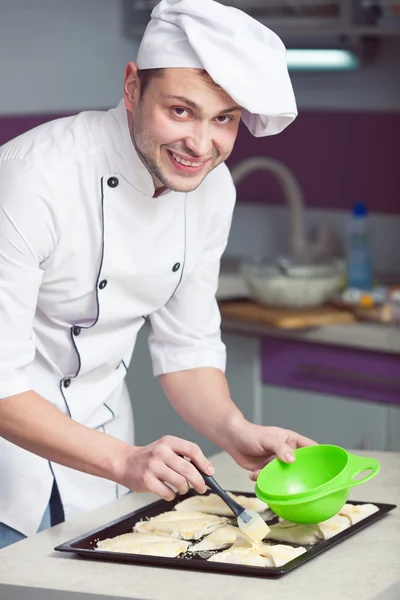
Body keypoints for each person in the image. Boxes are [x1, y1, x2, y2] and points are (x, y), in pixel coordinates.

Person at [0, 0, 315, 549]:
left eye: (224, 119)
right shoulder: (33, 180)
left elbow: (187, 347)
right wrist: (125, 461)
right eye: (180, 111)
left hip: (100, 468)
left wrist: (234, 430)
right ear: (131, 88)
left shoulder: (214, 192)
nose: (200, 144)